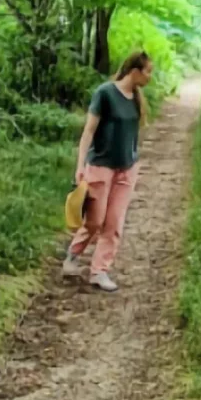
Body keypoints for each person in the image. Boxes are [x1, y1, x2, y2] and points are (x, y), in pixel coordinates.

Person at [62, 51, 153, 291]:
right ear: (135, 71)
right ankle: (73, 254)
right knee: (94, 221)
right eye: (148, 72)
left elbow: (132, 133)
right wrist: (80, 166)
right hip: (100, 166)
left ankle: (99, 271)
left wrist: (133, 160)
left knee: (113, 224)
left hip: (127, 169)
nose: (150, 77)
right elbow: (89, 131)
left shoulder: (136, 98)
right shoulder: (105, 93)